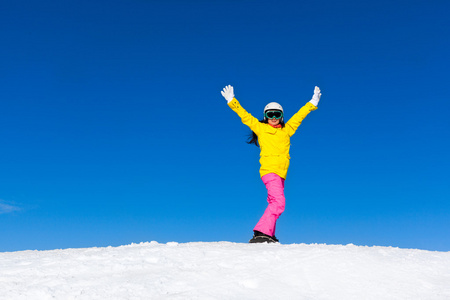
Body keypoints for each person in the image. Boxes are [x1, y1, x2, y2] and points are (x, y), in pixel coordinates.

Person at [220, 85, 322, 243]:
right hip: (270, 171)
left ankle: (269, 234)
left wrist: (312, 102)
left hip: (281, 175)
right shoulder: (261, 128)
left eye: (277, 114)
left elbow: (299, 117)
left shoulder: (286, 130)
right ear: (265, 116)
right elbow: (245, 116)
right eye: (270, 114)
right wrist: (232, 101)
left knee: (274, 202)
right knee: (279, 203)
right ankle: (261, 231)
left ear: (281, 116)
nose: (273, 117)